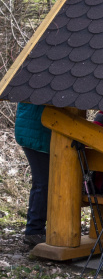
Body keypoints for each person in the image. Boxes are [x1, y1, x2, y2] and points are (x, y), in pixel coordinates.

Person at [15, 103, 51, 247]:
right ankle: (34, 231)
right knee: (43, 183)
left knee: (43, 183)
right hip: (36, 134)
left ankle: (36, 229)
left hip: (35, 132)